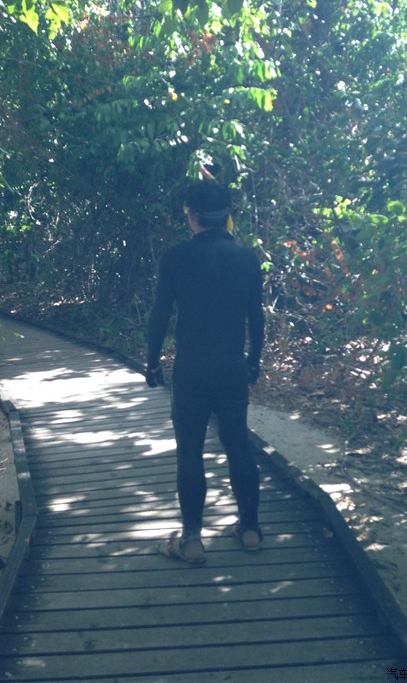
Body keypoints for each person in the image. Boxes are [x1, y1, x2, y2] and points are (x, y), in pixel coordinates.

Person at [145, 179, 265, 564]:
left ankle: (192, 539)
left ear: (192, 216)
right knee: (238, 443)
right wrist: (254, 359)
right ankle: (250, 529)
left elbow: (160, 314)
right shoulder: (247, 258)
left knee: (190, 450)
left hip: (192, 368)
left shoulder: (175, 258)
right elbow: (256, 317)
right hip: (232, 365)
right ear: (227, 215)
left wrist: (152, 361)